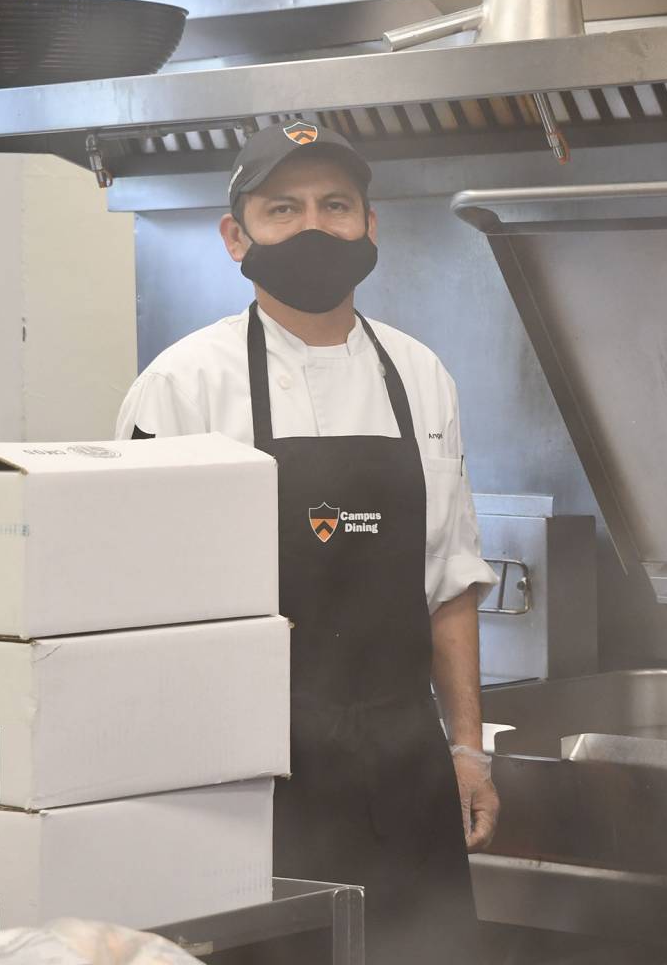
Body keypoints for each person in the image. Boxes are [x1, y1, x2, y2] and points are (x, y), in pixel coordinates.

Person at [115, 121, 498, 961]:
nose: (315, 226)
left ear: (371, 225)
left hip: (404, 768)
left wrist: (467, 748)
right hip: (249, 780)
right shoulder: (183, 386)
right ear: (236, 235)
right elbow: (136, 617)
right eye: (282, 208)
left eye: (337, 205)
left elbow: (450, 586)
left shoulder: (420, 375)